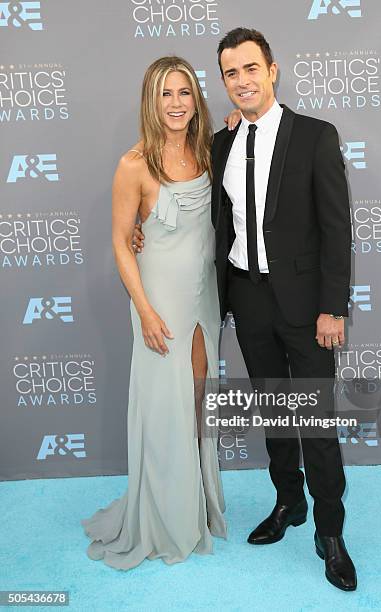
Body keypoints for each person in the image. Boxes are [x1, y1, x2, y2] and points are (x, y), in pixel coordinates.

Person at [134, 28, 357, 590]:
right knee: (275, 415)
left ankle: (330, 531)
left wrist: (333, 308)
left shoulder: (315, 136)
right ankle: (288, 504)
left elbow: (336, 229)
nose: (242, 81)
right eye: (231, 73)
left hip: (308, 309)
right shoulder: (222, 144)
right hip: (248, 298)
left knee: (315, 421)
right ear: (225, 81)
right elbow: (188, 209)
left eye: (251, 68)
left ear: (272, 70)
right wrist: (140, 232)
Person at [81, 56, 241, 570]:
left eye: (184, 93)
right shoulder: (133, 164)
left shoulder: (210, 152)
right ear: (151, 102)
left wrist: (235, 127)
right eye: (165, 94)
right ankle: (163, 517)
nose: (175, 103)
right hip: (158, 300)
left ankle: (195, 506)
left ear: (197, 100)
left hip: (202, 295)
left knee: (197, 402)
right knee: (163, 408)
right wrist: (144, 311)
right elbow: (121, 244)